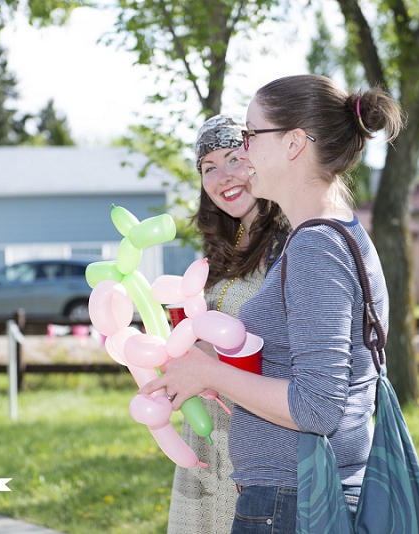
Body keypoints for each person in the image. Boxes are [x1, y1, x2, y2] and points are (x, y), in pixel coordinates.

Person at [142, 75, 404, 532]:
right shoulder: (333, 236)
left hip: (291, 502)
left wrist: (208, 371)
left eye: (249, 135)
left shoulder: (313, 247)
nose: (242, 152)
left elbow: (318, 408)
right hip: (290, 495)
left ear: (294, 144)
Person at [167, 115, 289, 534]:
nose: (223, 177)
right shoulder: (225, 245)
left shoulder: (291, 241)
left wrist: (207, 359)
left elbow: (288, 350)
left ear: (258, 159)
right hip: (206, 437)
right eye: (208, 168)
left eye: (234, 158)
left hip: (259, 440)